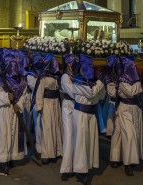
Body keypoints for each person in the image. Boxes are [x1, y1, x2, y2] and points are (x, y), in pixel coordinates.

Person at [109, 56, 143, 176]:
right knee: (129, 135)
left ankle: (117, 158)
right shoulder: (122, 81)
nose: (133, 68)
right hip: (125, 109)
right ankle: (127, 164)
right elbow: (131, 92)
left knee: (128, 133)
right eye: (131, 66)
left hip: (136, 109)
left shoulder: (136, 80)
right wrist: (140, 80)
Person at [0, 51, 29, 176]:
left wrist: (20, 104)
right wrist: (5, 96)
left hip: (16, 110)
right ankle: (3, 162)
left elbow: (25, 94)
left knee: (14, 134)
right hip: (4, 110)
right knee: (4, 135)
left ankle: (11, 157)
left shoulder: (22, 80)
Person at [69, 53, 105, 185]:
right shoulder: (78, 81)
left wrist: (101, 83)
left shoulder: (92, 82)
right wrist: (101, 82)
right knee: (81, 142)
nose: (89, 69)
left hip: (91, 115)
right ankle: (80, 170)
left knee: (90, 142)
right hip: (81, 115)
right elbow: (91, 93)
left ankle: (86, 167)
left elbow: (101, 96)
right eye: (87, 66)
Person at [33, 54, 62, 164]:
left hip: (55, 103)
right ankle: (46, 153)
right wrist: (39, 107)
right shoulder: (43, 77)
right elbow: (39, 92)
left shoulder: (56, 76)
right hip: (47, 104)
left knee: (56, 126)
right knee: (47, 128)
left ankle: (56, 151)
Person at [59, 51, 79, 181]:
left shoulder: (76, 76)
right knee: (69, 136)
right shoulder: (65, 77)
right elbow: (73, 92)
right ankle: (66, 168)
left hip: (78, 107)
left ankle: (77, 165)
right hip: (68, 107)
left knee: (78, 137)